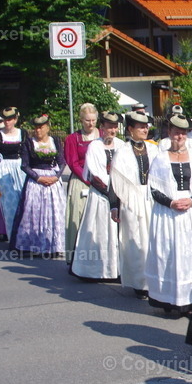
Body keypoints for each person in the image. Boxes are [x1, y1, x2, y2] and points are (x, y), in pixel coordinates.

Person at [145, 113, 192, 315]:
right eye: (176, 132)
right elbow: (153, 189)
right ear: (169, 132)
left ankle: (191, 299)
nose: (179, 136)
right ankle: (170, 299)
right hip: (168, 215)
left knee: (191, 255)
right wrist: (171, 202)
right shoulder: (160, 159)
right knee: (169, 254)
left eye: (183, 132)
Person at [109, 111, 160, 299]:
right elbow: (115, 181)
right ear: (130, 129)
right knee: (136, 241)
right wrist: (114, 205)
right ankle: (140, 284)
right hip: (131, 200)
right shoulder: (121, 153)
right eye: (140, 126)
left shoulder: (155, 149)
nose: (145, 129)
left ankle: (154, 281)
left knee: (152, 242)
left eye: (146, 126)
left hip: (151, 199)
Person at [71, 111, 122, 281]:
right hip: (100, 197)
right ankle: (94, 270)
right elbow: (95, 174)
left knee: (117, 234)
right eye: (109, 127)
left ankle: (117, 270)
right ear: (102, 128)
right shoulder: (95, 146)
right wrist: (110, 192)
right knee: (98, 231)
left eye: (115, 127)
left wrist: (120, 193)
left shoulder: (122, 146)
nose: (112, 131)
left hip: (118, 196)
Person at [11, 114, 67, 256]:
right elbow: (24, 165)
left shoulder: (55, 141)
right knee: (34, 213)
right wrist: (38, 177)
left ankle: (54, 245)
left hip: (53, 181)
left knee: (55, 213)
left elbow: (62, 162)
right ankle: (33, 245)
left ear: (47, 127)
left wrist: (56, 177)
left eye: (41, 127)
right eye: (35, 128)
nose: (38, 131)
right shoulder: (29, 143)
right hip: (36, 182)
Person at [64, 103, 99, 261]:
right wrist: (87, 179)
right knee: (78, 218)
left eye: (93, 120)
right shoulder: (73, 139)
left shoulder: (102, 135)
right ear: (81, 120)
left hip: (101, 182)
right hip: (80, 181)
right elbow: (73, 163)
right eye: (87, 120)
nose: (90, 123)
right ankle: (76, 257)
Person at [0, 108, 25, 241]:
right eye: (5, 119)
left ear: (15, 119)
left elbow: (27, 153)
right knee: (9, 205)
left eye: (10, 119)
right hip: (4, 168)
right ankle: (13, 238)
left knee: (24, 203)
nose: (7, 122)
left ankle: (24, 238)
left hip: (21, 168)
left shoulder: (23, 133)